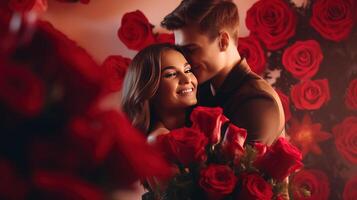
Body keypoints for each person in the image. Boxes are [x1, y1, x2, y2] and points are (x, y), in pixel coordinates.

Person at [161, 0, 285, 146]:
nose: (184, 61)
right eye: (180, 51)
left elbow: (239, 168)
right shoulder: (200, 87)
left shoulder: (258, 103)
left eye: (191, 49)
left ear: (223, 41)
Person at [121, 43, 198, 137]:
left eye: (187, 70)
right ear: (148, 87)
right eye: (171, 74)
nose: (187, 79)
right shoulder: (160, 139)